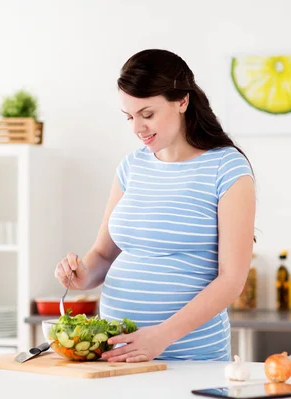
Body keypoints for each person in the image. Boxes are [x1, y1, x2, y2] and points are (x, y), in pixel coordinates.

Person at [54, 49, 256, 363]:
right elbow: (104, 255)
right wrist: (81, 276)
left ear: (182, 101)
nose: (137, 128)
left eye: (147, 114)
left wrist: (160, 336)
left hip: (190, 358)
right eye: (130, 117)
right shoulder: (132, 166)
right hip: (117, 354)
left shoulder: (227, 168)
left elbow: (231, 280)